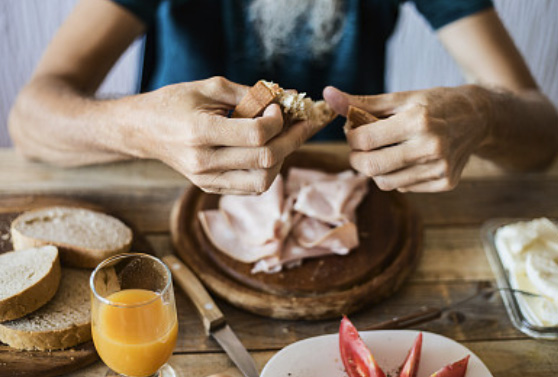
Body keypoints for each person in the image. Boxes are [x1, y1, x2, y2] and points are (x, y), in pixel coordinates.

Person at [8, 0, 558, 194]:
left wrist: (484, 114)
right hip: (166, 205)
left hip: (348, 200)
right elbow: (30, 120)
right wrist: (139, 130)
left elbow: (543, 135)